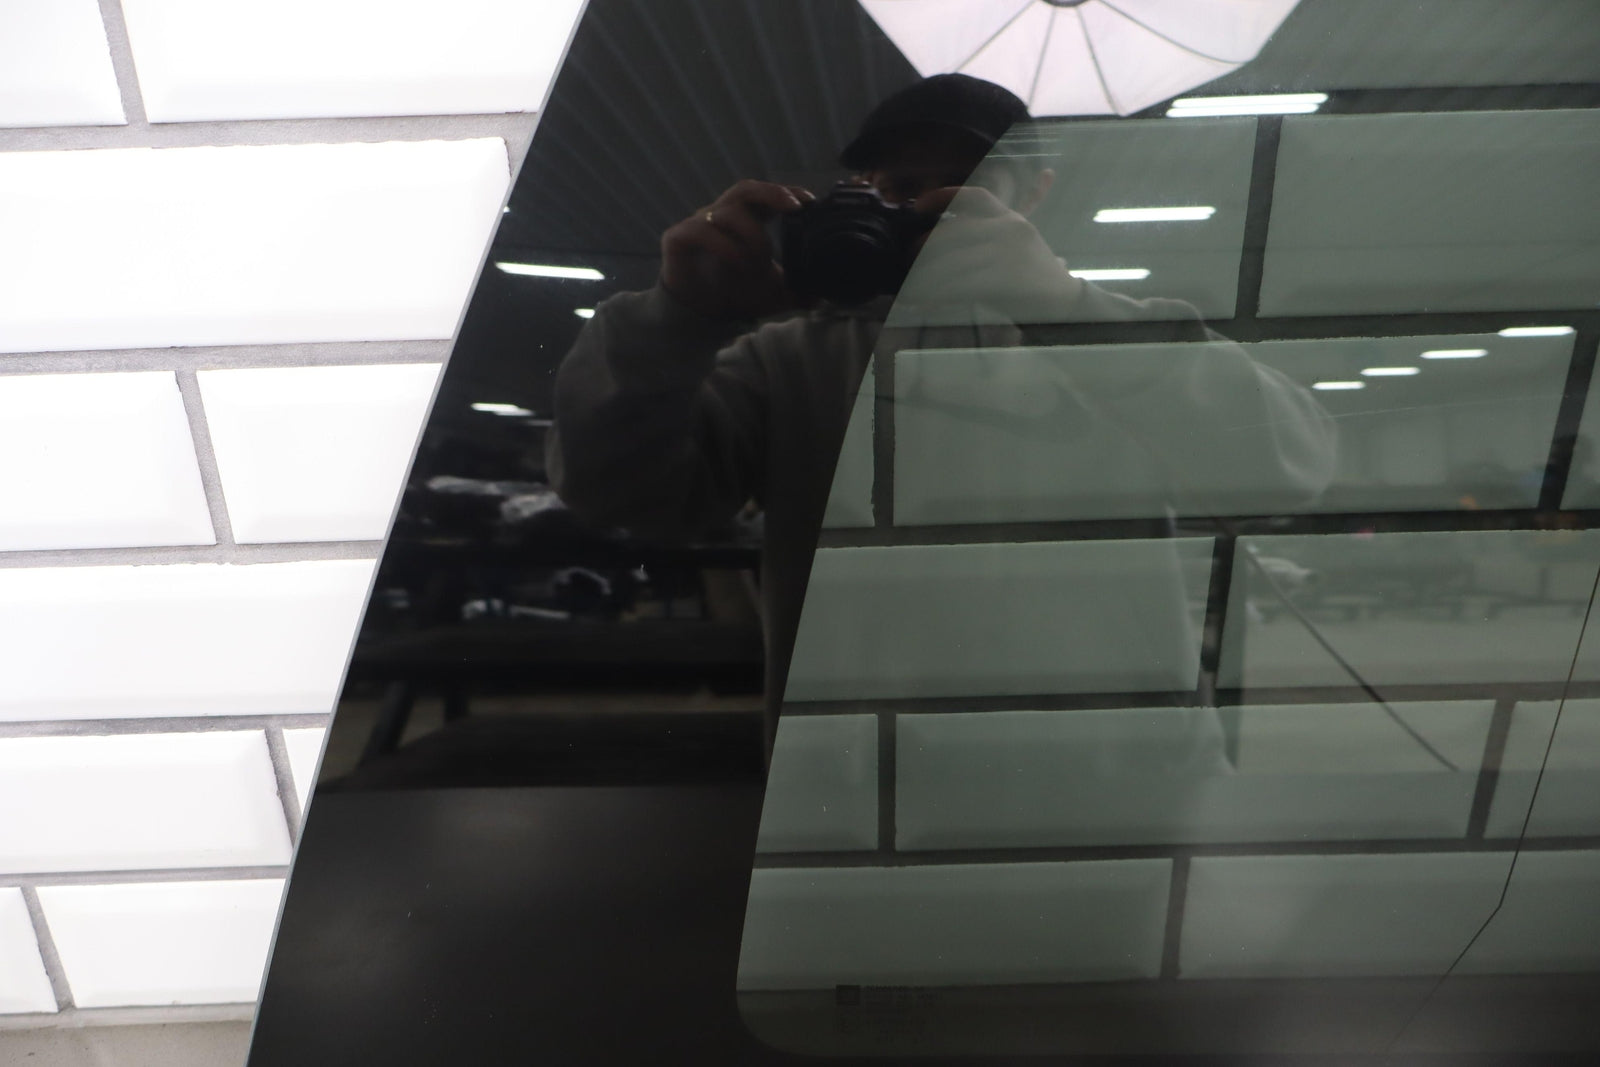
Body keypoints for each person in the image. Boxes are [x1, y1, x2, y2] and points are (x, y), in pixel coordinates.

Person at [547, 74, 1336, 757]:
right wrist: (677, 319)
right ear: (860, 192)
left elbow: (1289, 466)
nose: (925, 209)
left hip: (1114, 776)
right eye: (900, 187)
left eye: (959, 186)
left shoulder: (1113, 338)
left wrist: (1063, 307)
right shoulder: (789, 361)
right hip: (869, 782)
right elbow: (620, 495)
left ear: (1034, 193)